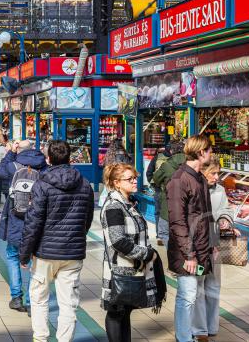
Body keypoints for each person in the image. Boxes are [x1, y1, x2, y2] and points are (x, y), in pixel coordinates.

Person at [19, 140, 94, 342]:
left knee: (39, 298)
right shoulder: (85, 184)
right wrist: (77, 238)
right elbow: (87, 219)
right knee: (68, 303)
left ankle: (41, 337)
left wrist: (25, 253)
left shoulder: (42, 185)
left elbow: (33, 222)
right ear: (69, 158)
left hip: (45, 253)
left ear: (48, 159)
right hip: (73, 253)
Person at [100, 163, 165, 342]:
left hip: (131, 269)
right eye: (130, 179)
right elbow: (118, 241)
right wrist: (147, 254)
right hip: (120, 271)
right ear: (116, 183)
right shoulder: (114, 206)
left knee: (124, 311)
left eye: (135, 177)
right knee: (116, 311)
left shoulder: (128, 203)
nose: (135, 181)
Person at [167, 135, 215, 342]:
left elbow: (207, 214)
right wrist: (189, 254)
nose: (212, 154)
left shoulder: (200, 178)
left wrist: (213, 243)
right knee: (187, 295)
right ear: (200, 152)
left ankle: (196, 332)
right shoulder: (179, 180)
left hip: (203, 247)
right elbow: (177, 221)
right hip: (187, 251)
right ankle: (184, 337)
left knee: (197, 293)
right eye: (209, 150)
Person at [0, 139, 48, 314]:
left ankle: (17, 297)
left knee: (12, 257)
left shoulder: (14, 166)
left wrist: (11, 152)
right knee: (36, 262)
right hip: (37, 221)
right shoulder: (43, 167)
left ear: (19, 150)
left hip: (15, 219)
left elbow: (0, 171)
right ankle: (33, 301)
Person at [193, 155, 239, 341]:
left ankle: (212, 325)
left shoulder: (219, 189)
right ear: (202, 172)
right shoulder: (193, 189)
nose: (216, 177)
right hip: (197, 245)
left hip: (214, 243)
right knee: (197, 287)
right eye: (213, 173)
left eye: (218, 173)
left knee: (213, 285)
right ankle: (199, 329)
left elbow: (226, 209)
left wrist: (225, 221)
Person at [151, 142, 186, 246]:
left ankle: (171, 253)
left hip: (168, 203)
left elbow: (156, 179)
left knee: (164, 232)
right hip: (187, 205)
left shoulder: (166, 165)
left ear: (171, 151)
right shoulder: (192, 164)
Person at [146, 142, 174, 245]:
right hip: (163, 190)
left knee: (159, 213)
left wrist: (154, 185)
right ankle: (163, 235)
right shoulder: (178, 160)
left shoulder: (158, 157)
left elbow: (149, 173)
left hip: (159, 190)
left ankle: (160, 235)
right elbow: (149, 173)